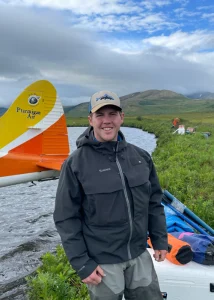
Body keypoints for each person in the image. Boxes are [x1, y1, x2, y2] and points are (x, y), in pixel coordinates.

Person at [54, 90, 168, 300]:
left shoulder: (141, 157)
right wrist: (82, 263)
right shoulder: (75, 164)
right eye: (100, 115)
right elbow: (65, 218)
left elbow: (154, 202)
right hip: (103, 263)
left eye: (112, 114)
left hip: (139, 254)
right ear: (90, 120)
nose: (107, 121)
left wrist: (160, 239)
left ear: (121, 117)